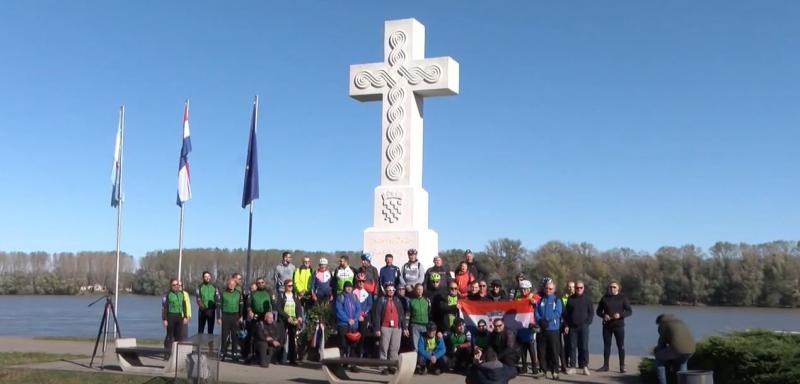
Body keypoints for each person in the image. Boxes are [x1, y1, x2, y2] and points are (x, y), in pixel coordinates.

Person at [596, 279, 632, 373]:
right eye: (611, 287)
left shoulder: (622, 298)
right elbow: (598, 311)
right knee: (607, 346)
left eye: (614, 287)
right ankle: (605, 366)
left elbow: (629, 311)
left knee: (621, 346)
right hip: (607, 326)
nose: (612, 288)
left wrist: (620, 315)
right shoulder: (604, 298)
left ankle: (622, 366)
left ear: (618, 288)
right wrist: (604, 315)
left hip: (619, 326)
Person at [373, 282, 409, 374]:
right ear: (385, 290)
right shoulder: (381, 300)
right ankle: (383, 366)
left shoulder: (397, 300)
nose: (391, 291)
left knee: (395, 348)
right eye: (389, 290)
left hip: (397, 327)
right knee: (384, 347)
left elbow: (402, 315)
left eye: (393, 290)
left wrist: (404, 328)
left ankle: (392, 366)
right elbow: (377, 315)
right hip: (385, 327)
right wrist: (377, 329)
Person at [654, 314, 695, 384]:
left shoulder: (663, 324)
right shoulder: (680, 322)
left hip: (677, 350)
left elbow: (661, 343)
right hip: (691, 349)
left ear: (659, 321)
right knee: (682, 364)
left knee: (659, 358)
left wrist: (658, 351)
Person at [564, 280, 593, 376]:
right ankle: (572, 367)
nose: (579, 289)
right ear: (574, 288)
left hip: (583, 327)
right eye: (577, 288)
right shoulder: (570, 299)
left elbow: (591, 313)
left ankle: (584, 367)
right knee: (572, 347)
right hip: (572, 327)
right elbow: (566, 314)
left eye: (581, 288)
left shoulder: (587, 299)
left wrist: (587, 323)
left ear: (583, 288)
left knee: (584, 347)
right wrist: (567, 325)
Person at [536, 280, 563, 380]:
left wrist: (548, 319)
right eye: (546, 288)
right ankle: (542, 370)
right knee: (541, 351)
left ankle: (555, 371)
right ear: (544, 289)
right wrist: (540, 320)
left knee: (554, 351)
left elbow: (558, 313)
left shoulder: (557, 300)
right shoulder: (540, 300)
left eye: (550, 289)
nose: (548, 290)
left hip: (553, 329)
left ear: (554, 289)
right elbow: (536, 312)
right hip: (542, 329)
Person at [275, 279, 304, 365]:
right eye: (289, 286)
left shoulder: (294, 296)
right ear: (285, 286)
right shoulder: (281, 296)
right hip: (284, 320)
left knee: (292, 340)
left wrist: (299, 317)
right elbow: (279, 308)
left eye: (292, 286)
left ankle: (292, 360)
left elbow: (298, 307)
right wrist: (287, 317)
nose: (291, 287)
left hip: (293, 319)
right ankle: (278, 358)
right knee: (282, 339)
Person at [515, 279, 540, 376]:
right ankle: (524, 366)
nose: (523, 291)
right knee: (522, 348)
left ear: (529, 289)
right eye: (522, 289)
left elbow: (540, 303)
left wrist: (535, 303)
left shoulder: (534, 297)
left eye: (525, 289)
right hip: (521, 326)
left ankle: (534, 367)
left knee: (531, 347)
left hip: (530, 326)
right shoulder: (518, 298)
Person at [218, 278, 244, 361]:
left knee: (235, 336)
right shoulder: (223, 293)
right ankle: (223, 353)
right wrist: (218, 317)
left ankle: (234, 354)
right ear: (227, 284)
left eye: (233, 284)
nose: (231, 285)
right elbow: (218, 306)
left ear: (235, 285)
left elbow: (241, 306)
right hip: (225, 316)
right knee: (225, 336)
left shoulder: (239, 293)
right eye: (230, 284)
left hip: (235, 316)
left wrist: (241, 316)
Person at [162, 278, 187, 359]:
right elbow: (164, 308)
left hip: (179, 316)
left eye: (177, 284)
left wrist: (185, 317)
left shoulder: (181, 294)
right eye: (174, 285)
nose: (176, 286)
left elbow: (184, 306)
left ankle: (176, 354)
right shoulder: (167, 295)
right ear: (171, 286)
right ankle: (167, 353)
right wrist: (164, 319)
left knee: (178, 336)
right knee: (170, 335)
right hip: (171, 316)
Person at [335, 281, 361, 359]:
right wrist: (347, 319)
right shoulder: (340, 297)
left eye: (350, 287)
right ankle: (342, 362)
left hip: (354, 325)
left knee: (353, 345)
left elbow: (358, 309)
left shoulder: (355, 297)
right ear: (344, 288)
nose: (349, 288)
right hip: (343, 325)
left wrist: (355, 319)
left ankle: (352, 364)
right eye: (347, 287)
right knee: (343, 344)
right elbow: (339, 310)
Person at [353, 272, 374, 358]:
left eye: (363, 281)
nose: (361, 283)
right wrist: (357, 315)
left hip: (363, 318)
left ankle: (361, 352)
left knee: (362, 336)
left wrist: (364, 313)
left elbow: (370, 305)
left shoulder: (367, 293)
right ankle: (352, 354)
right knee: (353, 336)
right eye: (359, 281)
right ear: (357, 281)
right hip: (354, 318)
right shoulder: (353, 292)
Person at [408, 283, 431, 351]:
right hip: (415, 325)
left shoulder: (427, 301)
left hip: (425, 325)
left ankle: (423, 361)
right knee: (415, 347)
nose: (420, 291)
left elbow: (429, 312)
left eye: (421, 289)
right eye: (418, 289)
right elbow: (408, 314)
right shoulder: (411, 301)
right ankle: (415, 361)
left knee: (424, 346)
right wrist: (406, 327)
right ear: (415, 290)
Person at [560, 281, 576, 370]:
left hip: (575, 324)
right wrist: (566, 324)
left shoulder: (577, 298)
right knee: (567, 344)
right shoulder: (563, 298)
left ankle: (574, 362)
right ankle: (565, 362)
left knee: (574, 344)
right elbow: (563, 313)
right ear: (567, 288)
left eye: (573, 287)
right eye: (569, 287)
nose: (571, 289)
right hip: (565, 324)